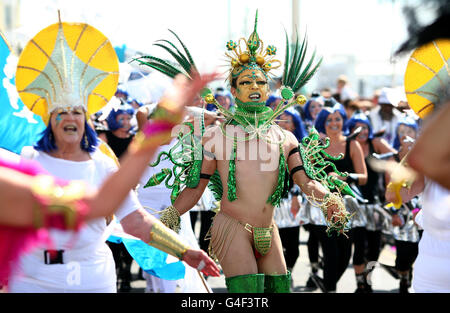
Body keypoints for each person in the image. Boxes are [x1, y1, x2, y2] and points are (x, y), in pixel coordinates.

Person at [134, 12, 349, 293]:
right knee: (248, 293)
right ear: (234, 91)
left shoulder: (286, 137)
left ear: (269, 88)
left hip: (268, 227)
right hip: (232, 226)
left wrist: (329, 200)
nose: (255, 88)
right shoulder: (216, 137)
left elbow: (305, 182)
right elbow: (195, 188)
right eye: (246, 83)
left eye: (260, 82)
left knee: (279, 289)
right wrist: (170, 216)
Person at [9, 20, 220, 293]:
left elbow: (135, 220)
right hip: (33, 282)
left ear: (86, 119)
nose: (71, 117)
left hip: (93, 281)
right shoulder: (27, 160)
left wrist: (184, 251)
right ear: (50, 120)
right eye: (62, 112)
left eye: (77, 112)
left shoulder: (102, 163)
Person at [307, 105, 367, 293]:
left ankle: (325, 285)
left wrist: (344, 177)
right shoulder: (314, 145)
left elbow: (364, 177)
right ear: (322, 123)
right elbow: (305, 177)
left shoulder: (352, 144)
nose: (334, 123)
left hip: (346, 208)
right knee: (331, 254)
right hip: (321, 207)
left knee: (344, 256)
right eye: (329, 120)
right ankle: (331, 289)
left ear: (343, 120)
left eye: (338, 118)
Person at [345, 112, 397, 292]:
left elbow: (397, 156)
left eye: (365, 127)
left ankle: (368, 277)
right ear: (351, 130)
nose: (362, 131)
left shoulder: (375, 144)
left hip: (375, 204)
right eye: (357, 127)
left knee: (375, 249)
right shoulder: (348, 146)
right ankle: (360, 282)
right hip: (354, 204)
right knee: (359, 246)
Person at [98, 100, 136, 292]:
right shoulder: (103, 138)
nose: (126, 121)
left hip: (130, 191)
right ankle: (116, 273)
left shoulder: (135, 139)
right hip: (110, 193)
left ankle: (127, 274)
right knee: (112, 238)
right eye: (122, 118)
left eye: (129, 117)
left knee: (129, 236)